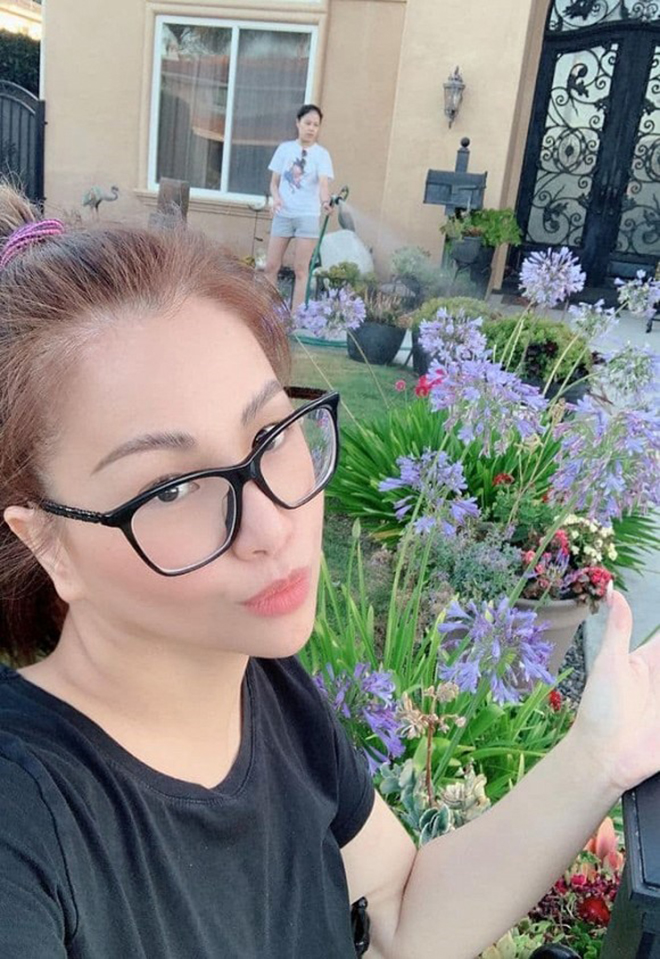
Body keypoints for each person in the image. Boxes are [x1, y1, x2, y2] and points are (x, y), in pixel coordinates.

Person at [0, 184, 659, 959]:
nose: (272, 527)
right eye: (172, 488)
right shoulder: (25, 830)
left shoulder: (266, 687)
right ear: (48, 542)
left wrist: (599, 754)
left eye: (270, 432)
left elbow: (402, 916)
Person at [264, 104, 334, 313]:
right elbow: (274, 183)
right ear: (298, 123)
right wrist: (276, 199)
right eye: (307, 123)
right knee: (271, 266)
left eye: (316, 125)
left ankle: (296, 317)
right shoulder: (285, 149)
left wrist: (325, 202)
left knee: (301, 270)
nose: (311, 128)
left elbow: (323, 184)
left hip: (307, 216)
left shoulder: (322, 155)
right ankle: (268, 312)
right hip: (283, 214)